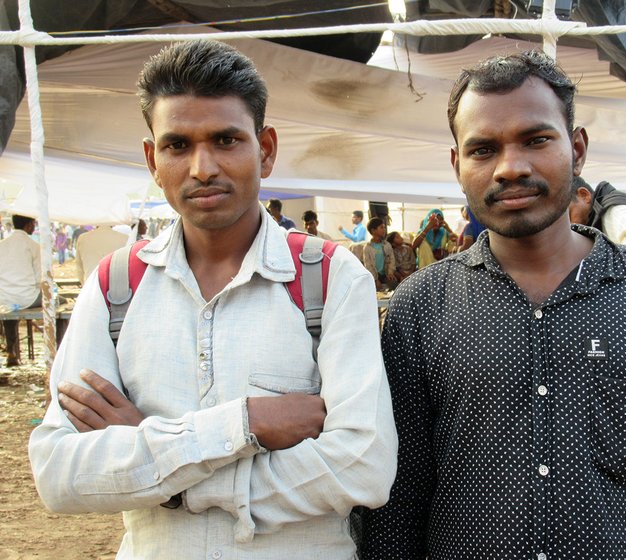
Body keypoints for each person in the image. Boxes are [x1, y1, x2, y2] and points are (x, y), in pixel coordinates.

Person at [28, 39, 397, 559]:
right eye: (178, 145)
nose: (203, 167)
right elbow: (59, 472)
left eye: (226, 140)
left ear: (265, 149)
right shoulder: (117, 285)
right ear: (153, 159)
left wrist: (165, 471)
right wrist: (245, 423)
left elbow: (362, 467)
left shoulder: (329, 278)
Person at [360, 50, 626, 559]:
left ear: (577, 148)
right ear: (457, 164)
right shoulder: (420, 307)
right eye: (483, 149)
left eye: (536, 140)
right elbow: (396, 506)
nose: (511, 168)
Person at [0, 214, 41, 367]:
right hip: (27, 298)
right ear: (29, 225)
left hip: (3, 298)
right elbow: (39, 278)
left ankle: (11, 350)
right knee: (59, 302)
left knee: (11, 310)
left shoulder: (2, 244)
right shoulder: (34, 246)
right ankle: (57, 347)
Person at [362, 217, 396, 291]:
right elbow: (368, 265)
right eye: (381, 228)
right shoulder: (367, 247)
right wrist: (375, 279)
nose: (384, 230)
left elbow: (391, 260)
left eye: (384, 227)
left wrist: (390, 272)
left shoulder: (387, 245)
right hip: (374, 275)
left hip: (386, 274)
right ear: (373, 230)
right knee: (373, 289)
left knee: (394, 285)